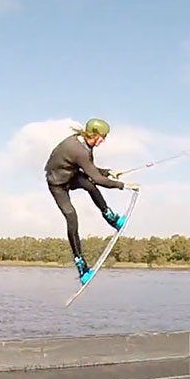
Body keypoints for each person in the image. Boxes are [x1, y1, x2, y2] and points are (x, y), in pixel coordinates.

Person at [44, 118, 140, 284]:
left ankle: (110, 217)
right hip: (57, 184)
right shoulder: (77, 149)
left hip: (72, 176)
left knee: (90, 185)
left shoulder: (86, 146)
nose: (103, 141)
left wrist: (108, 172)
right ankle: (81, 266)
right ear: (93, 134)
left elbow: (91, 170)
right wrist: (124, 186)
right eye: (102, 137)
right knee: (71, 218)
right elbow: (97, 177)